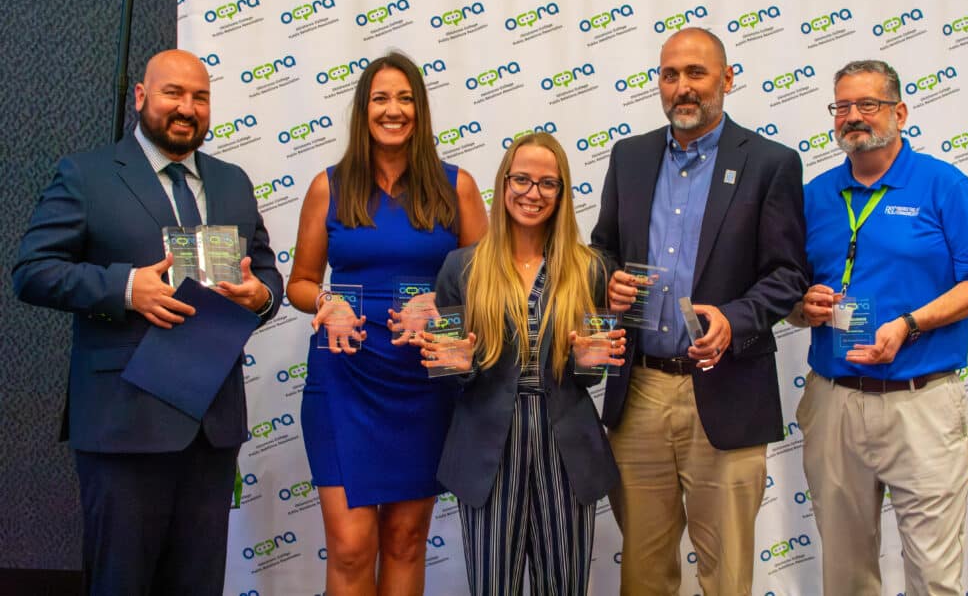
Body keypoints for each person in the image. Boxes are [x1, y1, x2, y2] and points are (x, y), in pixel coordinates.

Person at [12, 49, 283, 595]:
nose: (187, 108)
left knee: (198, 584)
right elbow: (32, 271)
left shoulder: (232, 182)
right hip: (123, 422)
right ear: (141, 96)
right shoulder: (87, 175)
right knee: (122, 583)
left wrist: (261, 297)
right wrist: (125, 288)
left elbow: (267, 274)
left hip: (211, 427)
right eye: (173, 93)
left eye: (200, 97)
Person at [591, 27, 808, 596]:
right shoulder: (630, 157)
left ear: (727, 79)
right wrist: (607, 281)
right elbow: (602, 249)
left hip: (726, 389)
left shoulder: (770, 163)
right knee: (643, 574)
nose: (682, 87)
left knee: (726, 575)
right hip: (639, 392)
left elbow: (788, 275)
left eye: (696, 73)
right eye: (670, 75)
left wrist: (734, 318)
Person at [788, 59, 968, 596]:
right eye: (842, 106)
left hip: (920, 402)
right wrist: (801, 306)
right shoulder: (814, 195)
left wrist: (909, 324)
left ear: (900, 113)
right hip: (835, 402)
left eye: (868, 104)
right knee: (845, 574)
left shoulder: (942, 184)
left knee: (933, 575)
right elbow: (787, 293)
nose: (853, 117)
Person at [286, 51, 488, 595]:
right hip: (342, 379)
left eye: (404, 98)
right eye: (380, 98)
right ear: (363, 109)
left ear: (420, 110)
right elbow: (299, 281)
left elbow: (489, 286)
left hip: (424, 382)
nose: (392, 110)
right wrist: (326, 300)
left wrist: (443, 307)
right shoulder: (329, 186)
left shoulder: (457, 187)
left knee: (404, 540)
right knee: (351, 547)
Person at [418, 132, 623, 595]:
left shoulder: (590, 268)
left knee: (565, 585)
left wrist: (591, 359)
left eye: (548, 183)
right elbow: (453, 374)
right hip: (486, 448)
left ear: (562, 192)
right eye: (522, 180)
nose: (533, 193)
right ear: (504, 182)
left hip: (566, 447)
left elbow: (589, 375)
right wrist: (455, 360)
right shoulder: (461, 267)